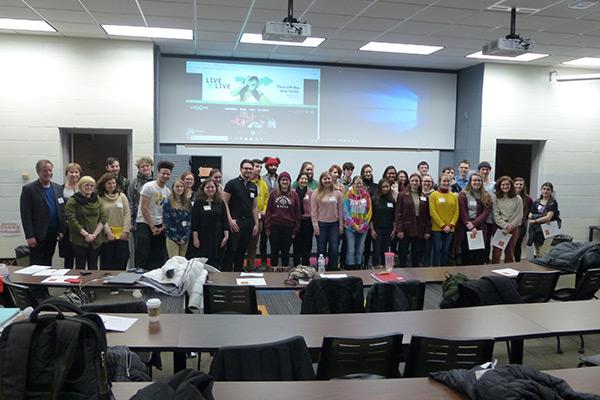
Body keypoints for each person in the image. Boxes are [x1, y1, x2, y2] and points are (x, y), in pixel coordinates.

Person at [20, 159, 66, 266]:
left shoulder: (58, 188)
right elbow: (25, 214)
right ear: (38, 172)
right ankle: (35, 283)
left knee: (48, 261)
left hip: (53, 233)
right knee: (37, 264)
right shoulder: (29, 189)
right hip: (37, 234)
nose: (48, 173)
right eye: (45, 171)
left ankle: (46, 283)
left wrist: (61, 230)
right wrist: (29, 236)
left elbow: (61, 210)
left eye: (50, 170)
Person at [134, 160, 173, 271]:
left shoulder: (167, 191)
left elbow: (166, 211)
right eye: (163, 173)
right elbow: (144, 207)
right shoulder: (148, 187)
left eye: (168, 174)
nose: (165, 176)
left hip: (160, 226)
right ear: (158, 173)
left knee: (158, 255)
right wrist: (152, 226)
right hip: (145, 223)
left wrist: (163, 227)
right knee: (143, 253)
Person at [223, 160, 259, 272]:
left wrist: (256, 224)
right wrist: (229, 220)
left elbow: (254, 207)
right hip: (234, 223)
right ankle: (227, 276)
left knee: (242, 251)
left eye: (250, 168)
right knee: (231, 250)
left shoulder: (253, 186)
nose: (248, 170)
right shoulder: (231, 184)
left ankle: (238, 274)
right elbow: (224, 203)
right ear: (241, 169)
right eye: (245, 168)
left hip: (248, 224)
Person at [65, 176, 106, 270]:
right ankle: (80, 285)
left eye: (92, 185)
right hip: (79, 240)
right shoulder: (73, 201)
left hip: (95, 240)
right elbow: (72, 220)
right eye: (86, 185)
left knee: (94, 267)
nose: (89, 187)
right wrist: (86, 235)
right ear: (80, 187)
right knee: (80, 267)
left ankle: (92, 285)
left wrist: (94, 235)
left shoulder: (98, 199)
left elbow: (103, 218)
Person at [264, 172, 301, 268]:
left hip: (289, 227)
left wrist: (295, 229)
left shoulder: (294, 195)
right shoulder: (273, 194)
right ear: (279, 181)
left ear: (289, 182)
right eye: (282, 180)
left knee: (286, 251)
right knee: (274, 250)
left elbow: (297, 213)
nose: (284, 182)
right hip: (275, 226)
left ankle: (285, 270)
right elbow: (268, 211)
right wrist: (267, 227)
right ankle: (274, 269)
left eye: (287, 180)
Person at [455, 173, 492, 266]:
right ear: (470, 182)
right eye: (474, 180)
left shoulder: (486, 195)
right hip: (465, 227)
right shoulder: (463, 194)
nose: (477, 182)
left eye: (479, 180)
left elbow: (486, 212)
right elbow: (462, 211)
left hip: (480, 227)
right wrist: (469, 225)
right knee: (466, 253)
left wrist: (474, 224)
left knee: (478, 254)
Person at [191, 178, 229, 267]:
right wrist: (195, 238)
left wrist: (226, 236)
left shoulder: (220, 202)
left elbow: (224, 219)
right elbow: (195, 221)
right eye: (208, 187)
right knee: (203, 260)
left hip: (217, 236)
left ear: (216, 188)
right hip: (202, 236)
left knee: (216, 259)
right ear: (203, 189)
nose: (210, 189)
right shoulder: (198, 203)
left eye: (212, 187)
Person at [396, 174, 431, 267]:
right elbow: (398, 213)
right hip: (406, 227)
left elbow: (427, 215)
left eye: (416, 181)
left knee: (417, 253)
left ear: (420, 183)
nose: (414, 183)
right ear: (409, 182)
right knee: (403, 251)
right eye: (412, 181)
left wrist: (427, 231)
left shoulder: (423, 196)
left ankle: (415, 273)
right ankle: (402, 273)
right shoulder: (402, 195)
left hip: (420, 227)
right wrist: (399, 230)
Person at [311, 172, 344, 271]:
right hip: (321, 224)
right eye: (324, 179)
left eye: (328, 178)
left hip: (334, 224)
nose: (327, 181)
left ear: (332, 179)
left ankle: (332, 268)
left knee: (334, 248)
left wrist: (341, 226)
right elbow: (313, 211)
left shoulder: (338, 193)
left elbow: (341, 211)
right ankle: (321, 268)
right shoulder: (316, 193)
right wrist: (315, 226)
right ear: (321, 180)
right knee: (321, 248)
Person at [97, 172, 130, 270]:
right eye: (109, 183)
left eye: (114, 183)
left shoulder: (122, 196)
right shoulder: (99, 198)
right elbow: (101, 216)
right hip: (107, 237)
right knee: (107, 263)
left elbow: (127, 214)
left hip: (122, 236)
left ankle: (120, 284)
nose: (112, 185)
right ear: (104, 184)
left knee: (122, 260)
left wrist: (125, 231)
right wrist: (107, 232)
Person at [342, 176, 372, 270]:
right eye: (356, 183)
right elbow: (345, 211)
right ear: (353, 184)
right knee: (351, 249)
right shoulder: (348, 194)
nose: (358, 185)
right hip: (350, 228)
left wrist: (364, 224)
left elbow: (369, 211)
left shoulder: (366, 195)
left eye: (360, 183)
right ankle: (350, 267)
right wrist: (353, 225)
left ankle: (358, 266)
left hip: (363, 228)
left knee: (360, 249)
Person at [491, 176, 523, 264]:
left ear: (511, 185)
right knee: (496, 253)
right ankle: (493, 272)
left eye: (507, 184)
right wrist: (505, 226)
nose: (505, 186)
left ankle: (508, 274)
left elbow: (519, 215)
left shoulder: (518, 198)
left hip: (513, 228)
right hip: (499, 228)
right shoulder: (495, 197)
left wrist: (511, 226)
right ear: (499, 186)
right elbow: (495, 215)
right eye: (503, 185)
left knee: (510, 252)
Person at [429, 174, 459, 266]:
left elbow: (456, 212)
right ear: (440, 182)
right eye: (444, 181)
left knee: (446, 251)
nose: (446, 183)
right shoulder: (434, 195)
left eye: (448, 181)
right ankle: (435, 271)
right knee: (437, 250)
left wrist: (450, 225)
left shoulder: (454, 196)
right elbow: (432, 211)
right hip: (437, 228)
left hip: (450, 229)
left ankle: (443, 271)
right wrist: (442, 225)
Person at [127, 156, 154, 259]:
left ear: (151, 166)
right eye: (142, 166)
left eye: (147, 165)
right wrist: (131, 222)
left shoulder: (157, 181)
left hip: (155, 220)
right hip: (139, 221)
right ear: (138, 168)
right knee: (141, 250)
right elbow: (131, 203)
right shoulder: (134, 184)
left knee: (154, 249)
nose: (145, 168)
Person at [247, 159, 269, 268]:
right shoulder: (247, 182)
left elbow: (266, 199)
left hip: (259, 218)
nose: (259, 169)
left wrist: (264, 209)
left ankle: (250, 266)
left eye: (261, 167)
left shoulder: (263, 184)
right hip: (246, 218)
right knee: (242, 243)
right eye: (257, 166)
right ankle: (238, 265)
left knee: (253, 244)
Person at [528, 182, 560, 258]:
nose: (545, 191)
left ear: (551, 191)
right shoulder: (536, 202)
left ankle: (544, 268)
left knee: (544, 252)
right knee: (538, 251)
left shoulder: (553, 203)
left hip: (548, 229)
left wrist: (535, 219)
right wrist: (542, 217)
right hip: (536, 229)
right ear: (541, 190)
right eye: (544, 189)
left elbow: (548, 217)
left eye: (548, 189)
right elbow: (530, 215)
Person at [59, 162, 81, 268]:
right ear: (66, 174)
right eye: (71, 172)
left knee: (80, 256)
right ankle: (68, 284)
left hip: (81, 227)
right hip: (66, 228)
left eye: (76, 172)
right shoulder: (60, 189)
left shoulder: (84, 188)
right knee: (68, 257)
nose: (74, 174)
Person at [163, 179, 192, 258]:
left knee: (182, 263)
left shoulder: (187, 202)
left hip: (185, 237)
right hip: (172, 236)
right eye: (177, 186)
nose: (179, 188)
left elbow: (189, 221)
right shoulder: (167, 202)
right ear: (173, 188)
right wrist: (177, 238)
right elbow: (167, 222)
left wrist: (185, 237)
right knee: (175, 262)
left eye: (181, 186)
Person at [370, 179, 396, 266]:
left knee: (385, 250)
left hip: (388, 229)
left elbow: (394, 216)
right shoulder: (375, 199)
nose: (385, 189)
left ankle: (384, 268)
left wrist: (394, 229)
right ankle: (375, 266)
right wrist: (372, 230)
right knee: (376, 250)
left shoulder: (392, 200)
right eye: (383, 187)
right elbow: (371, 216)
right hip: (377, 229)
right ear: (380, 187)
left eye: (387, 187)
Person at [293, 173, 314, 266]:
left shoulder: (311, 192)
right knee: (296, 244)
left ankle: (305, 264)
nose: (304, 180)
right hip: (296, 221)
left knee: (307, 244)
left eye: (305, 179)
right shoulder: (293, 192)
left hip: (307, 221)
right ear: (298, 180)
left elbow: (313, 207)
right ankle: (296, 264)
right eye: (302, 178)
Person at [514, 177, 534, 262]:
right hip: (509, 225)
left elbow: (533, 209)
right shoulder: (509, 196)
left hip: (521, 226)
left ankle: (517, 263)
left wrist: (529, 215)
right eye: (517, 184)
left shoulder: (528, 198)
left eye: (521, 184)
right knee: (508, 246)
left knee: (517, 245)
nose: (519, 186)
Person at [478, 161, 495, 262]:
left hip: (488, 218)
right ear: (479, 171)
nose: (485, 171)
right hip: (477, 217)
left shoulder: (494, 185)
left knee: (487, 240)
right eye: (483, 169)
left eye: (487, 170)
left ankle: (485, 259)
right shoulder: (475, 182)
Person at [420, 174, 435, 266]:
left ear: (432, 183)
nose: (426, 183)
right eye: (425, 181)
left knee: (428, 249)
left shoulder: (435, 194)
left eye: (428, 181)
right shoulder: (417, 193)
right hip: (418, 226)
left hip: (430, 226)